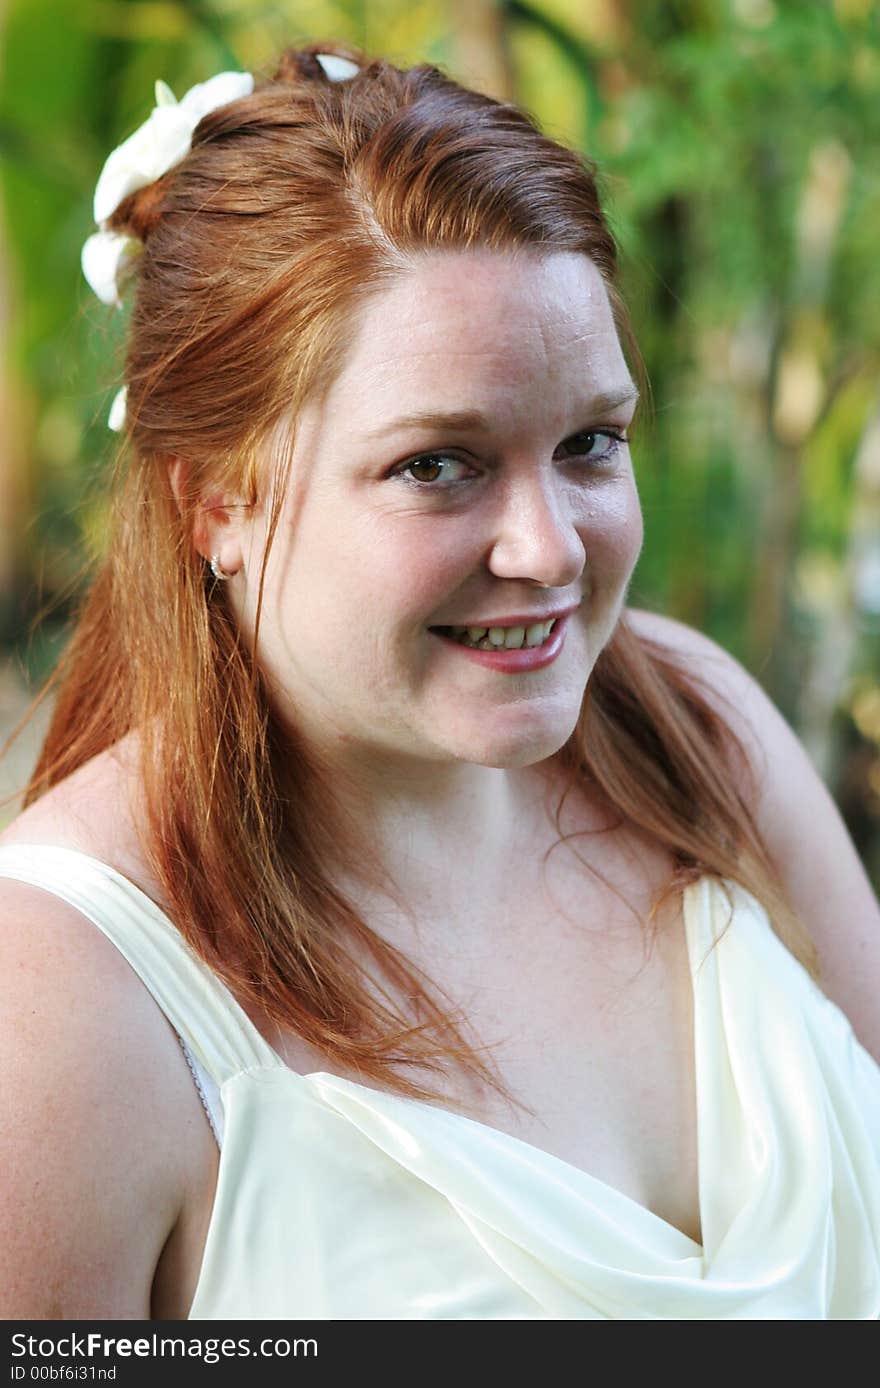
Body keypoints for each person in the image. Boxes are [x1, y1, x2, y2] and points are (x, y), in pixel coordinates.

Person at [0, 40, 878, 1323]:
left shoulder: (696, 730)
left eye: (590, 443)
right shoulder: (67, 1005)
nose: (551, 550)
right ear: (217, 502)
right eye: (438, 464)